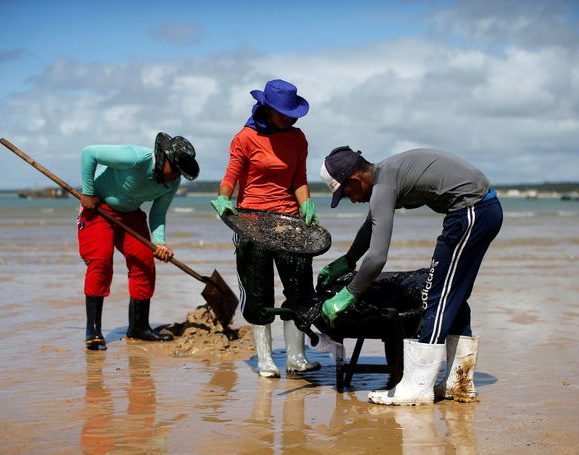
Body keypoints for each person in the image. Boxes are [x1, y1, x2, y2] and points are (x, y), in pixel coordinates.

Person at [318, 146, 503, 405]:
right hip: (481, 209)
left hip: (471, 212)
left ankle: (417, 387)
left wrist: (349, 294)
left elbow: (378, 258)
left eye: (346, 193)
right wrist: (349, 259)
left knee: (436, 297)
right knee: (454, 296)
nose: (351, 199)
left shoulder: (383, 185)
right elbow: (372, 226)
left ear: (356, 179)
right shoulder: (385, 174)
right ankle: (458, 383)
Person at [211, 79, 321, 378]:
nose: (288, 117)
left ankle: (297, 357)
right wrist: (223, 198)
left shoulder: (298, 139)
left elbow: (298, 177)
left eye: (291, 111)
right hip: (252, 220)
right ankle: (265, 359)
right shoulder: (245, 138)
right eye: (281, 111)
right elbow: (231, 175)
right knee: (258, 291)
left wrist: (306, 205)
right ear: (267, 108)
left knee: (299, 288)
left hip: (288, 220)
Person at [77, 132, 200, 350]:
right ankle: (93, 330)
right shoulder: (134, 157)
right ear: (164, 159)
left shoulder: (171, 183)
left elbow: (158, 214)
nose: (176, 177)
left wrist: (160, 242)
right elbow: (90, 153)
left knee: (144, 263)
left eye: (181, 173)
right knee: (101, 262)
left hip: (131, 216)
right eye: (175, 170)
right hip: (97, 209)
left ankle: (138, 328)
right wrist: (88, 193)